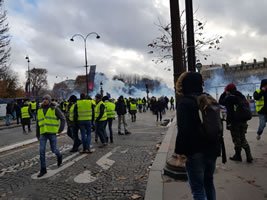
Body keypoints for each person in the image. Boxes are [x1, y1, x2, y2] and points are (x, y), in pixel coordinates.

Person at [175, 72, 221, 200]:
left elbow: (183, 130)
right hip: (213, 148)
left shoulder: (185, 102)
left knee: (198, 190)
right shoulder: (208, 98)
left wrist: (180, 152)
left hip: (196, 151)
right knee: (209, 183)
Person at [219, 83, 253, 163]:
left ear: (228, 90)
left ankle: (238, 155)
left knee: (236, 139)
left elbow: (221, 102)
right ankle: (249, 155)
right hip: (243, 120)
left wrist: (224, 93)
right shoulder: (241, 96)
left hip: (235, 122)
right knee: (243, 138)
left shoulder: (230, 98)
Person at [36, 94, 65, 178]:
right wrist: (37, 134)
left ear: (49, 100)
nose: (44, 100)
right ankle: (43, 169)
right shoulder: (39, 110)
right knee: (41, 151)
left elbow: (63, 118)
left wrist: (60, 130)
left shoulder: (54, 109)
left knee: (54, 150)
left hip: (52, 133)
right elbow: (38, 123)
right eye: (43, 99)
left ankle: (59, 156)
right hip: (43, 133)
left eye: (46, 99)